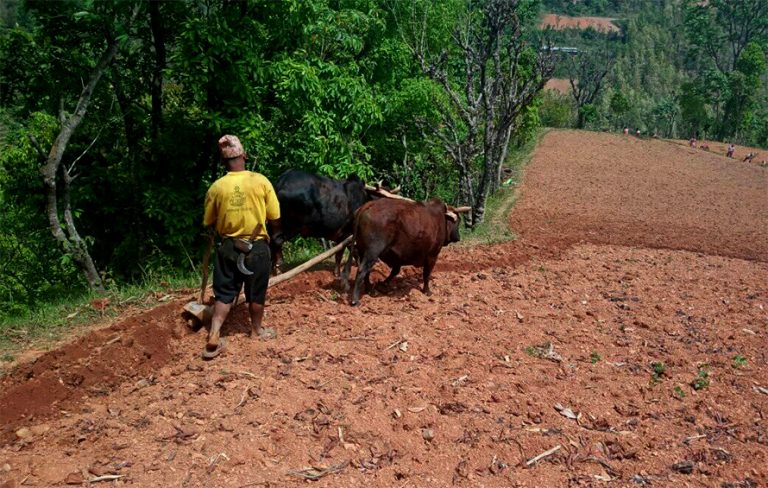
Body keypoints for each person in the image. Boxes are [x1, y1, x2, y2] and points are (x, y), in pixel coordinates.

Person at [202, 135, 281, 359]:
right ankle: (256, 330)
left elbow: (208, 221)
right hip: (256, 247)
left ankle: (214, 333)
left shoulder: (217, 187)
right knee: (256, 292)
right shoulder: (261, 181)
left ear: (223, 163)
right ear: (244, 156)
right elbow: (275, 217)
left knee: (225, 293)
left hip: (228, 246)